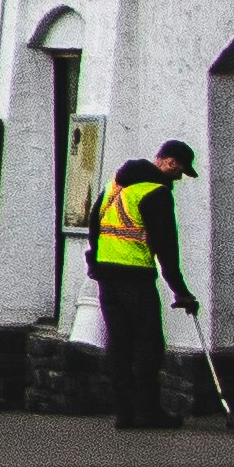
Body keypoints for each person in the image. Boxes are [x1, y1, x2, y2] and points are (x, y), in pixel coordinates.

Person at [94, 139, 192, 429]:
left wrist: (93, 264)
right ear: (170, 162)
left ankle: (125, 413)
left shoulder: (116, 185)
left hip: (106, 275)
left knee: (119, 344)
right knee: (149, 345)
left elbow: (93, 223)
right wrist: (181, 290)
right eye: (181, 171)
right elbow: (166, 246)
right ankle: (148, 411)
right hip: (135, 275)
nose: (179, 178)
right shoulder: (156, 192)